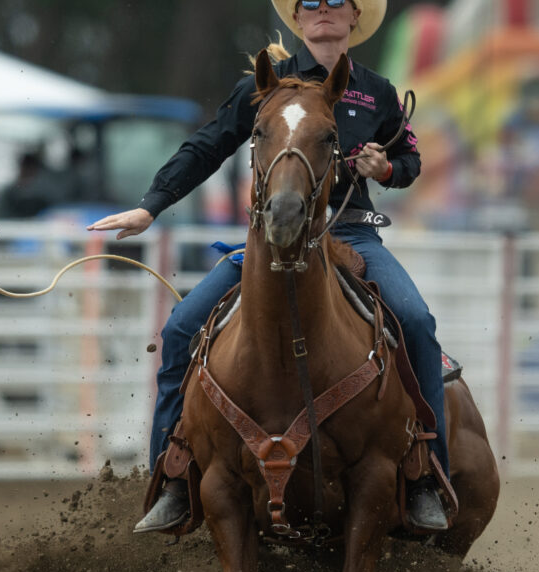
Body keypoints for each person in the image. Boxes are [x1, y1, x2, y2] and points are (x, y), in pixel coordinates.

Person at [87, 0, 450, 533]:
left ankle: (424, 475)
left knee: (416, 323)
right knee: (182, 328)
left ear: (354, 18)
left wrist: (388, 167)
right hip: (269, 238)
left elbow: (411, 160)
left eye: (335, 2)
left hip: (350, 230)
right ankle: (174, 476)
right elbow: (209, 145)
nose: (322, 9)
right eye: (310, 2)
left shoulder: (379, 92)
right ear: (298, 19)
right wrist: (152, 204)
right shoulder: (267, 84)